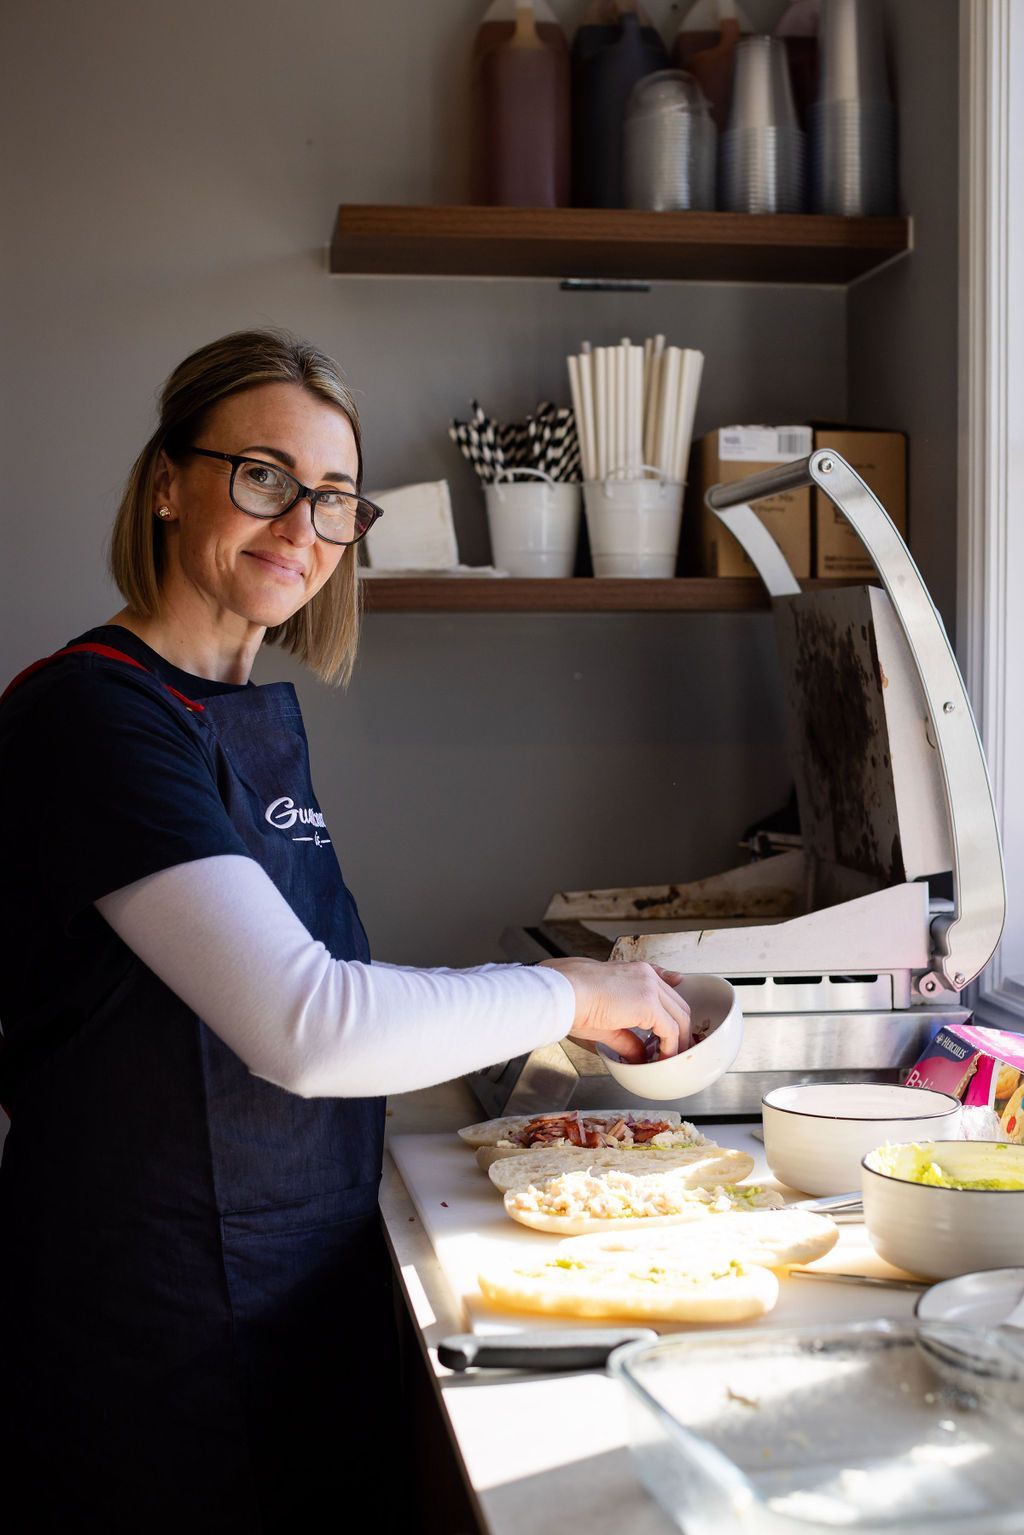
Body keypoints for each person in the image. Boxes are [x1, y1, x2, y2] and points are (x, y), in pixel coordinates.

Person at [0, 330, 691, 1531]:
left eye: (332, 500)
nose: (299, 526)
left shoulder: (231, 711)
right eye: (262, 476)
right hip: (145, 1336)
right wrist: (569, 993)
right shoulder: (92, 717)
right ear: (168, 480)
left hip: (282, 1292)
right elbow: (306, 1024)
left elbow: (304, 988)